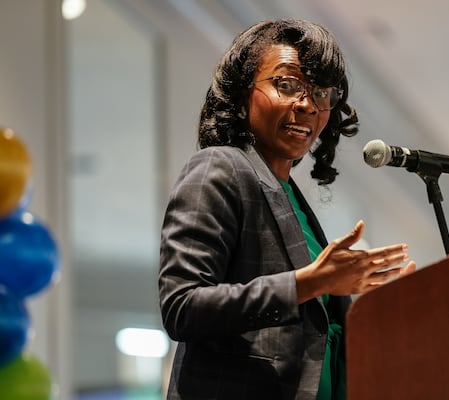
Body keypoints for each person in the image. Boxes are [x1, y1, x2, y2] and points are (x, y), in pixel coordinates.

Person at [158, 18, 417, 400]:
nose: (308, 105)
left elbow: (316, 337)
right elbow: (183, 306)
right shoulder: (220, 167)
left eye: (321, 93)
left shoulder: (291, 198)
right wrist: (311, 282)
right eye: (288, 85)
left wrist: (381, 309)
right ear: (242, 91)